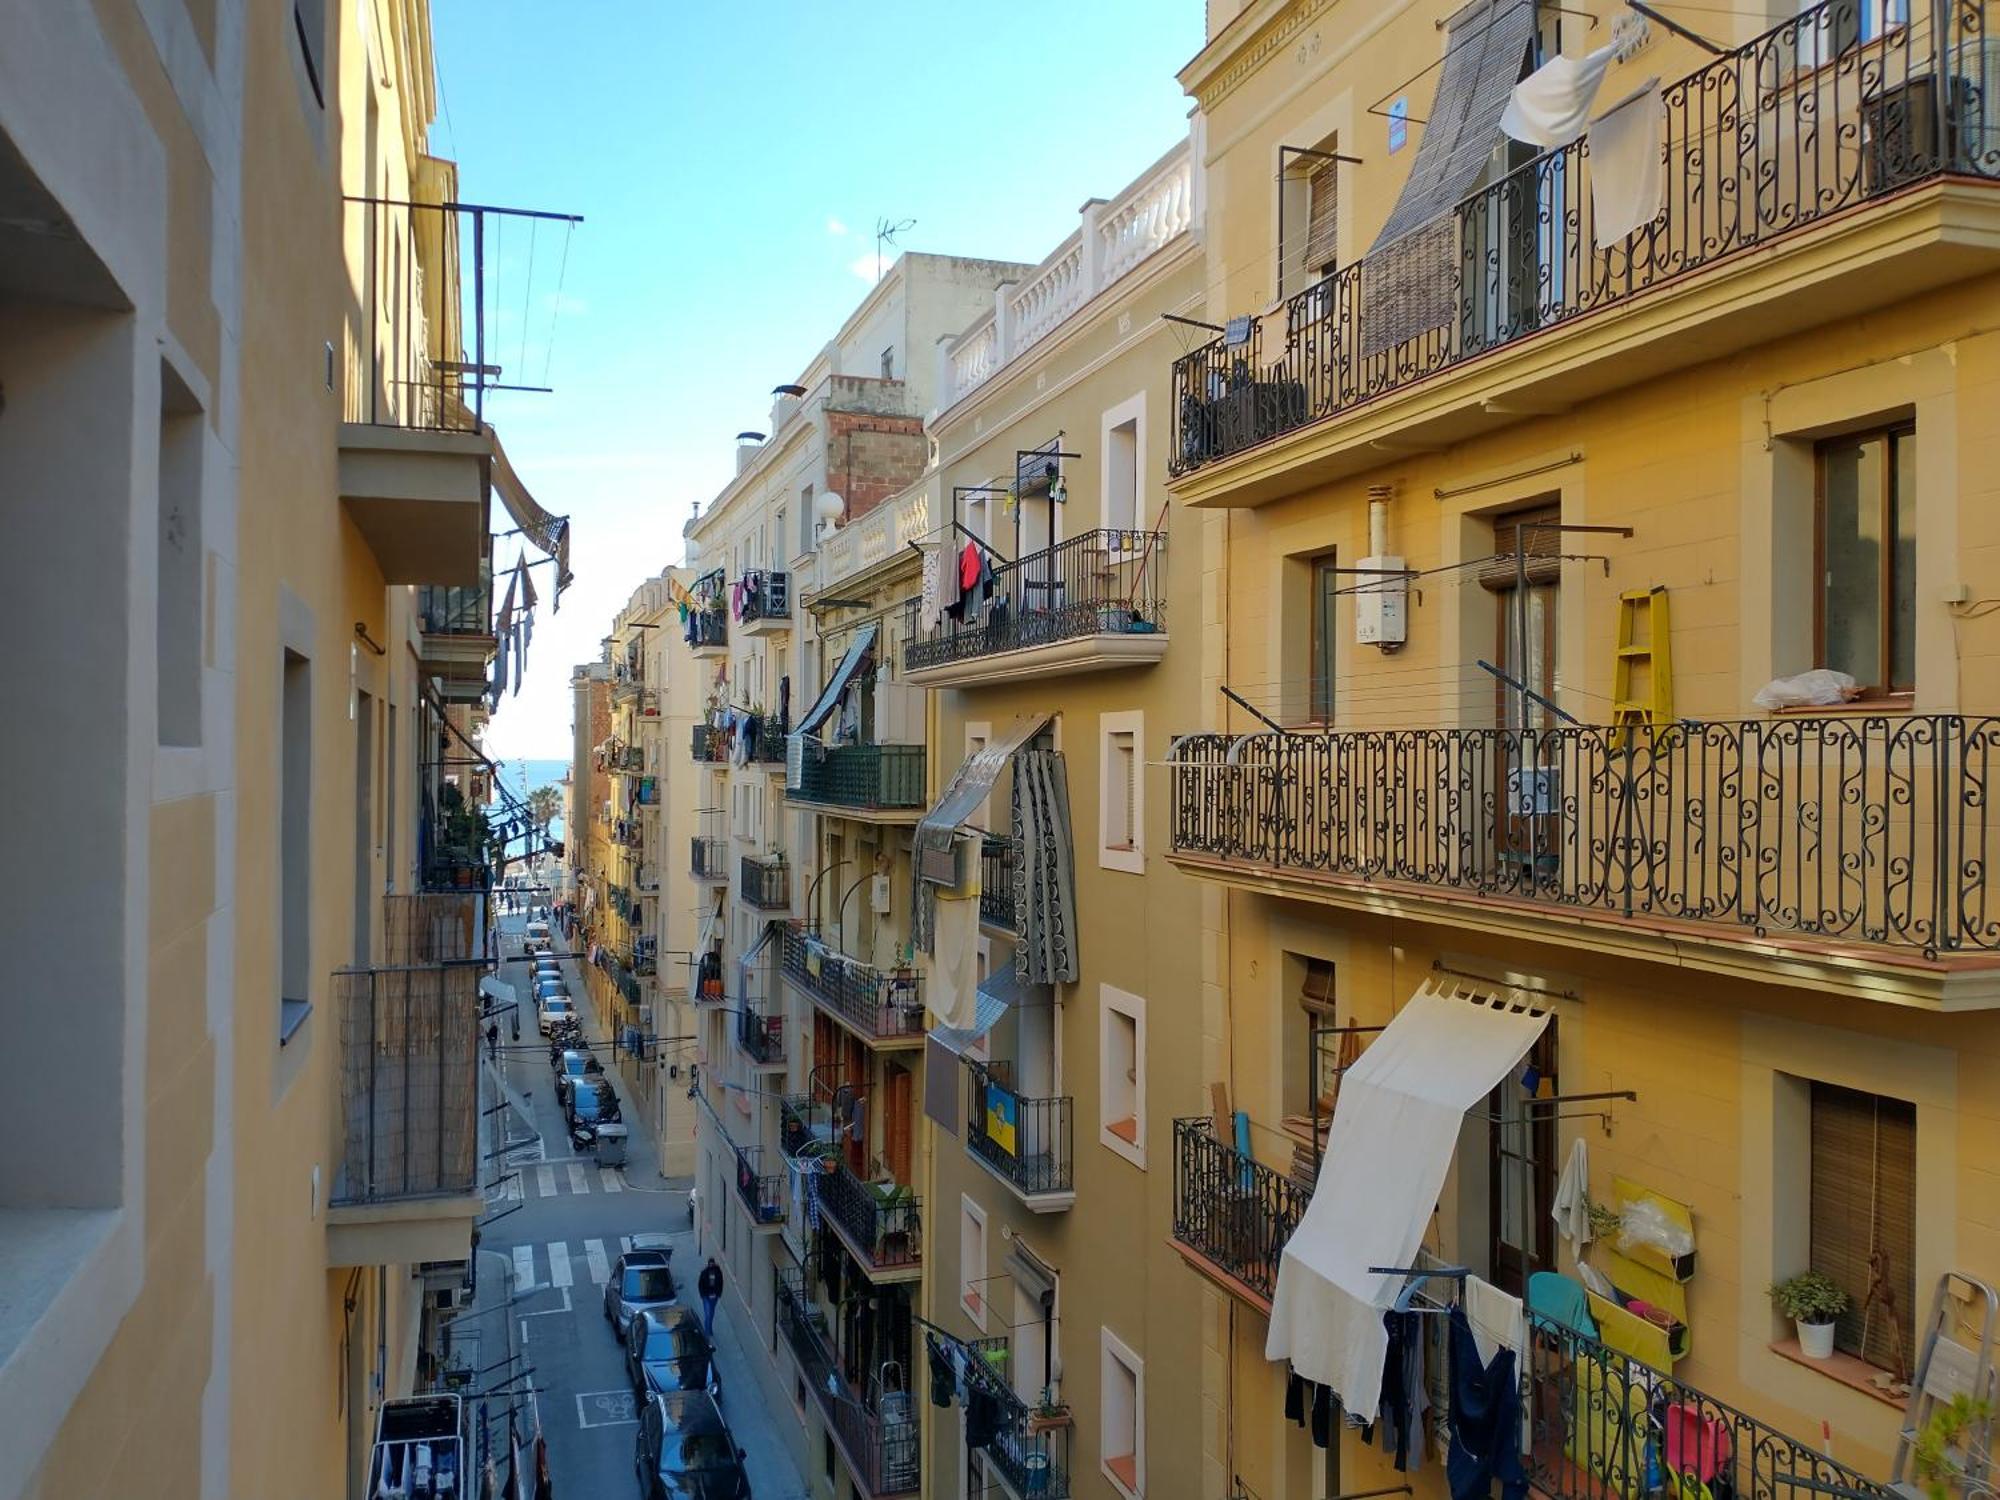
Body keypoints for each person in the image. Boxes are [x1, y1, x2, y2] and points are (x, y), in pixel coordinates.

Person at [697, 1257, 724, 1340]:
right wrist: (702, 1295)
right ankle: (707, 1332)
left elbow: (721, 1283)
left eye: (712, 1263)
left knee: (711, 1313)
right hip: (706, 1296)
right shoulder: (704, 1272)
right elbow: (700, 1284)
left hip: (714, 1296)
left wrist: (718, 1294)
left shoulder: (718, 1272)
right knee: (708, 1313)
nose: (711, 1265)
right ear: (708, 1264)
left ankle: (709, 1328)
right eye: (710, 1263)